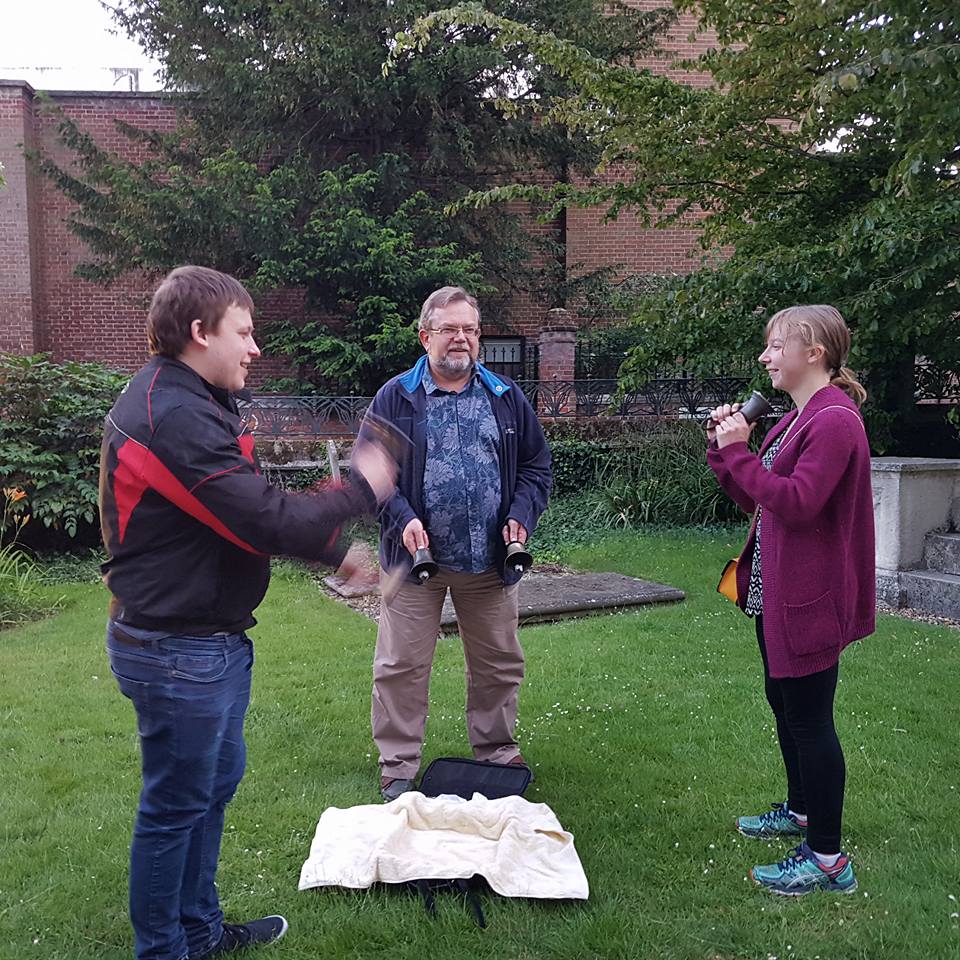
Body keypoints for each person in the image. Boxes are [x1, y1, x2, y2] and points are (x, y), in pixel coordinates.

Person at [99, 265, 396, 960]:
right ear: (199, 333)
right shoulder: (170, 415)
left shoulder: (190, 399)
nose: (256, 347)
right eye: (245, 331)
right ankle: (166, 951)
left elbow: (224, 514)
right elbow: (262, 516)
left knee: (208, 792)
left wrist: (331, 551)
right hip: (177, 652)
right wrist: (360, 488)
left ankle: (199, 932)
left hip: (207, 643)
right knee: (176, 809)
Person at [706, 304, 875, 896]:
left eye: (776, 345)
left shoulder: (834, 421)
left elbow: (799, 503)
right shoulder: (800, 416)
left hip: (809, 595)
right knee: (786, 705)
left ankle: (828, 860)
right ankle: (802, 812)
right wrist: (727, 451)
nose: (765, 356)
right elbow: (761, 500)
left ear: (814, 353)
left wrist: (741, 453)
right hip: (775, 591)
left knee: (810, 721)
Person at [361, 286, 552, 801]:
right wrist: (401, 518)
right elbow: (371, 470)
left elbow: (536, 466)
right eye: (449, 329)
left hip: (490, 561)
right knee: (401, 663)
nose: (461, 338)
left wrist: (520, 516)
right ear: (426, 337)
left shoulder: (505, 397)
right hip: (415, 560)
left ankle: (496, 750)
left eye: (470, 328)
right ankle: (398, 763)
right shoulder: (396, 396)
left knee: (497, 661)